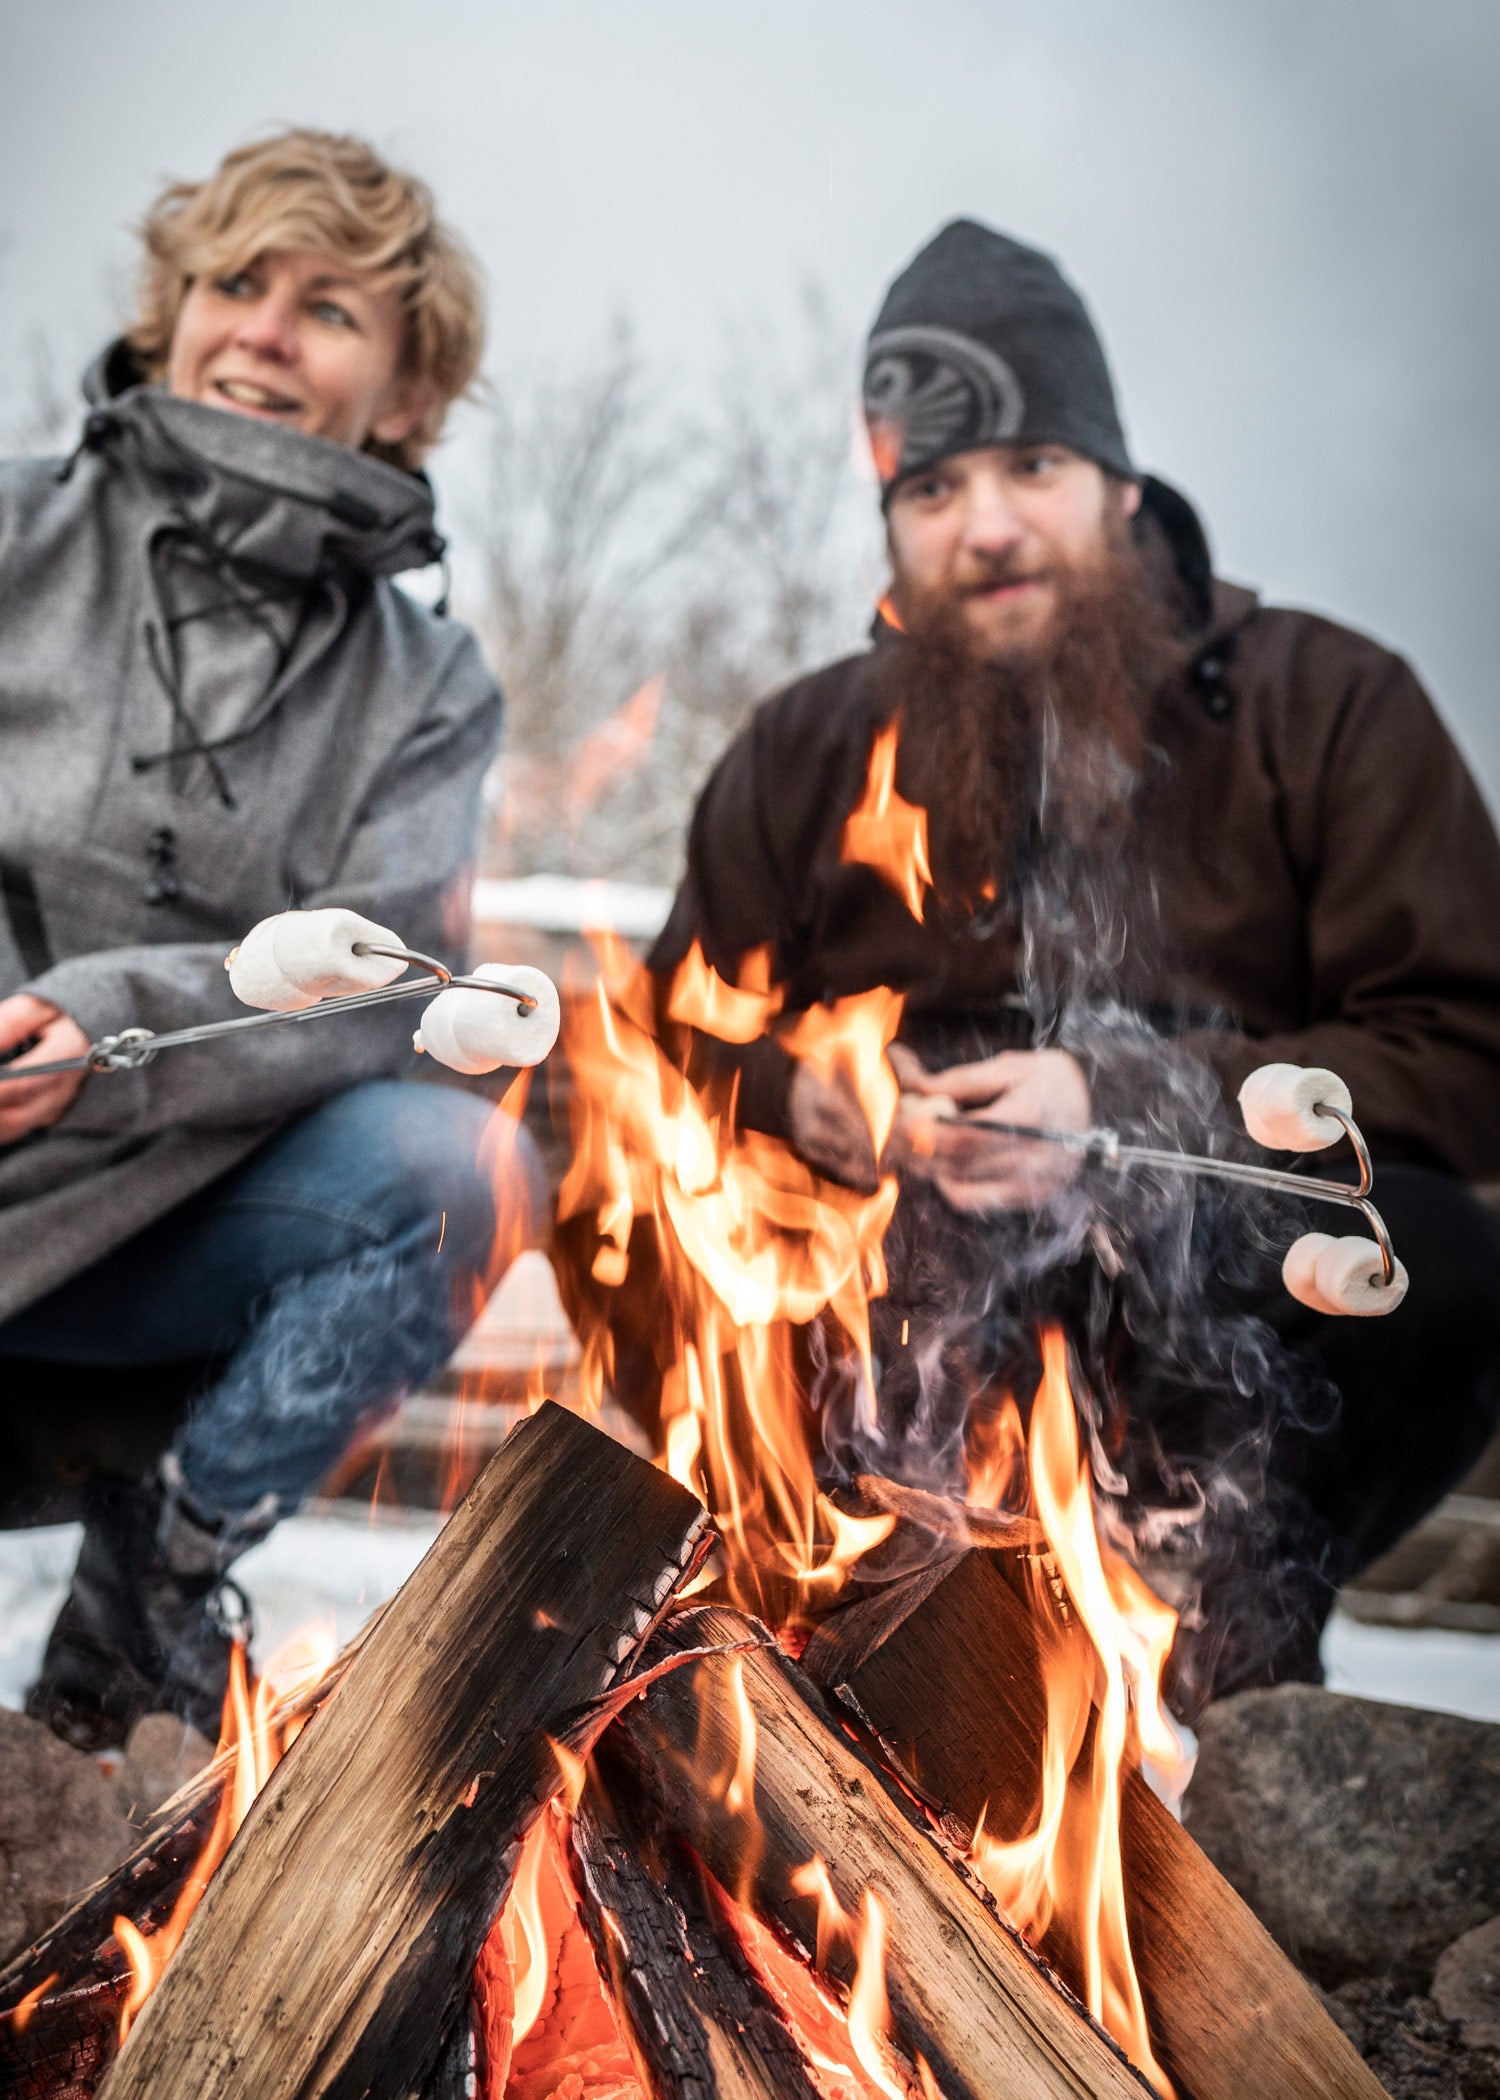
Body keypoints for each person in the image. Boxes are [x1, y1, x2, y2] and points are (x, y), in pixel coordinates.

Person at [622, 219, 1500, 1712]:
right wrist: (811, 1097)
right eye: (933, 487)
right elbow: (663, 1039)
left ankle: (1232, 1669)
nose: (988, 527)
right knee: (692, 1239)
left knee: (1437, 1260)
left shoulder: (1329, 705)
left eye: (1031, 466)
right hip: (891, 1290)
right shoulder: (806, 747)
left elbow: (1464, 1051)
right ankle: (854, 1686)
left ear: (1120, 485)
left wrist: (1131, 1101)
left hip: (1220, 1268)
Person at [0, 129, 546, 1749]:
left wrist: (111, 1026)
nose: (261, 332)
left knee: (456, 1169)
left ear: (406, 391)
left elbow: (387, 983)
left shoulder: (427, 686)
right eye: (234, 282)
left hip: (173, 1221)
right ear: (172, 305)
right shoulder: (15, 537)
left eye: (328, 310)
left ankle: (140, 1620)